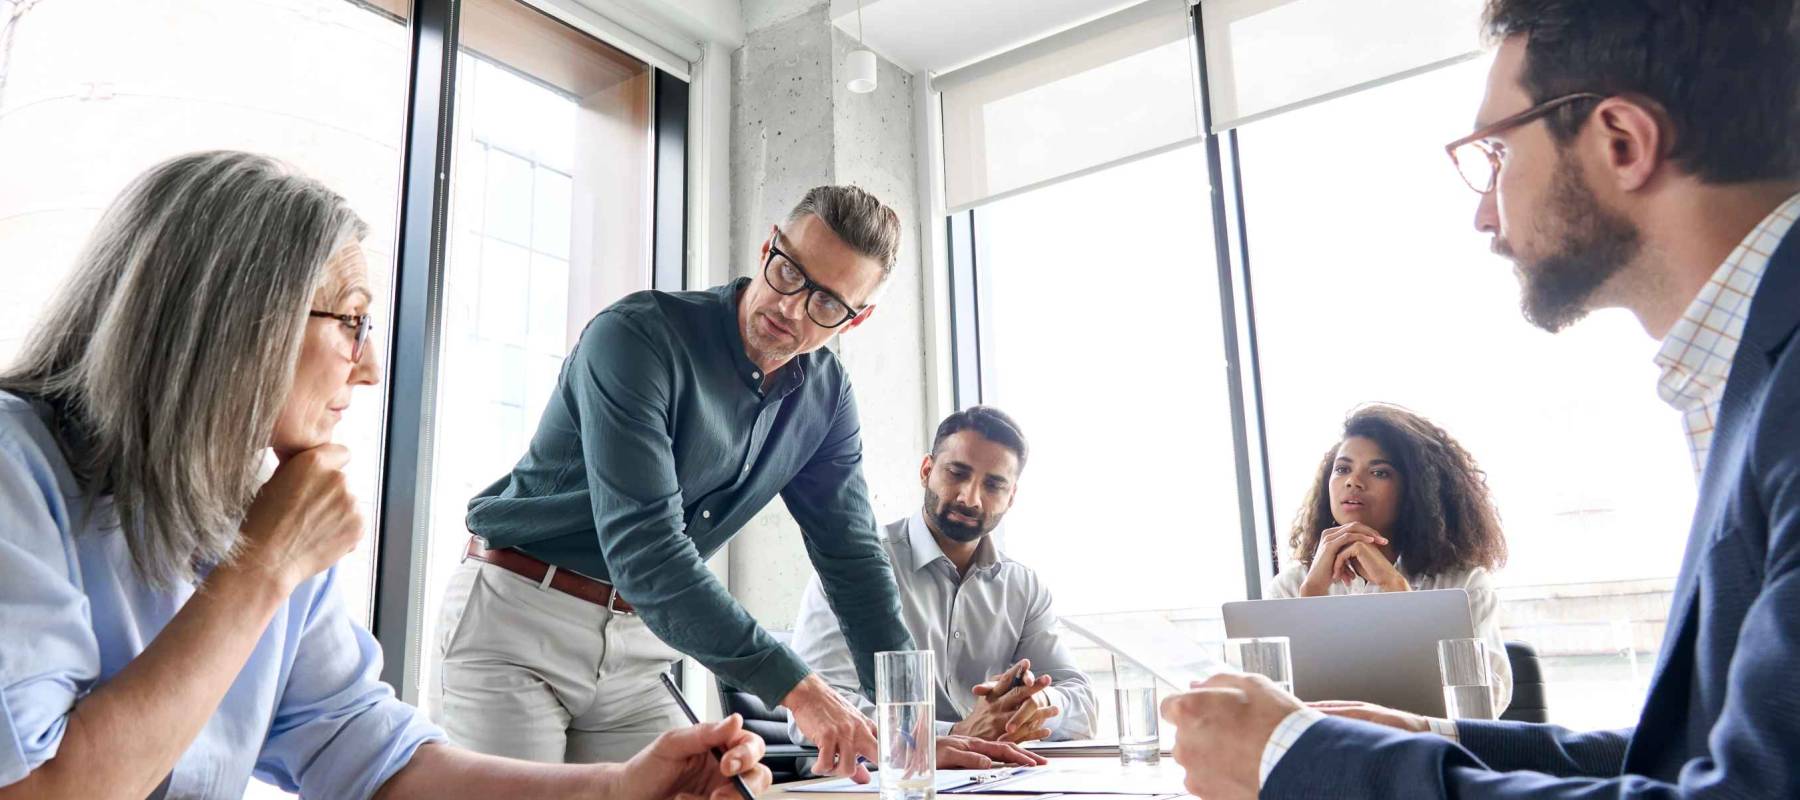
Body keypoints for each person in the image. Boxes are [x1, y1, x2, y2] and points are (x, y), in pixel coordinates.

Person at [1160, 1, 1800, 797]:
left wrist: (1304, 761)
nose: (1483, 212)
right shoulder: (1751, 380)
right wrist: (1441, 736)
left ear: (1622, 142)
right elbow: (1696, 759)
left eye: (1496, 152)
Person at [0, 150, 771, 800]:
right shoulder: (16, 469)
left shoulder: (254, 510)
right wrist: (263, 566)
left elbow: (370, 754)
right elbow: (36, 789)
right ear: (238, 320)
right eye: (352, 321)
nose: (370, 367)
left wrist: (616, 788)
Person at [433, 185, 1035, 780]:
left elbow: (852, 560)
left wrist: (912, 732)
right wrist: (801, 690)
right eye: (789, 272)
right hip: (519, 620)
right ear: (770, 245)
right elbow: (648, 552)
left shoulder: (825, 396)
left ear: (857, 319)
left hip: (637, 650)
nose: (792, 309)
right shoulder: (637, 338)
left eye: (828, 304)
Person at [787, 406, 1097, 746]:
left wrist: (1038, 704)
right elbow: (815, 713)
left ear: (1011, 497)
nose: (970, 498)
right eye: (957, 473)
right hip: (880, 773)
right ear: (926, 470)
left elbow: (1083, 706)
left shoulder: (1024, 587)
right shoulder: (852, 565)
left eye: (993, 485)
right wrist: (952, 736)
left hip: (991, 771)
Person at [1269, 403, 1510, 712]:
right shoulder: (1292, 587)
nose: (1353, 482)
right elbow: (1269, 711)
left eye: (1379, 472)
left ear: (1416, 490)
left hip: (1423, 742)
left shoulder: (1463, 585)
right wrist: (1310, 602)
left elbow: (1481, 706)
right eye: (1342, 469)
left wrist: (1399, 595)